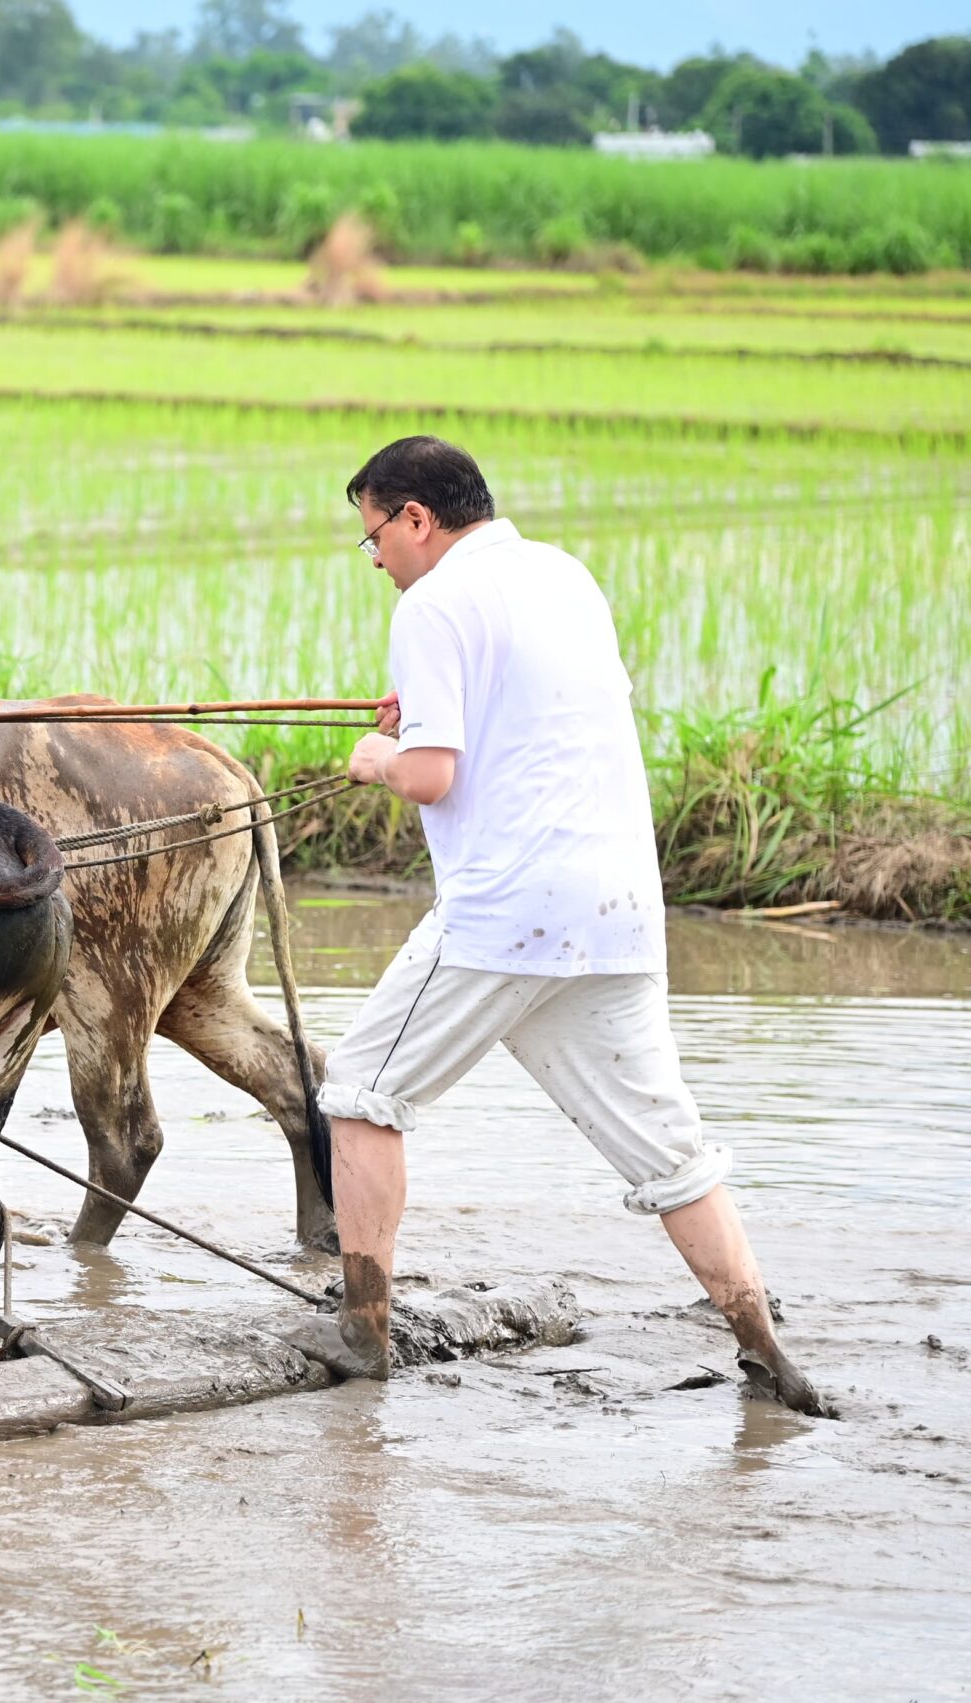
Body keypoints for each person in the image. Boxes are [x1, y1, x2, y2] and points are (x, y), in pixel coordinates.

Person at [280, 435, 828, 1417]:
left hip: (505, 910)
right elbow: (533, 712)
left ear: (416, 517)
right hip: (614, 909)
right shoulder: (563, 574)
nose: (373, 559)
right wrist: (429, 714)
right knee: (668, 1151)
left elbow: (431, 774)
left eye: (373, 536)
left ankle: (362, 1332)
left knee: (359, 1091)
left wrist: (376, 753)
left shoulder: (432, 602)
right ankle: (765, 1349)